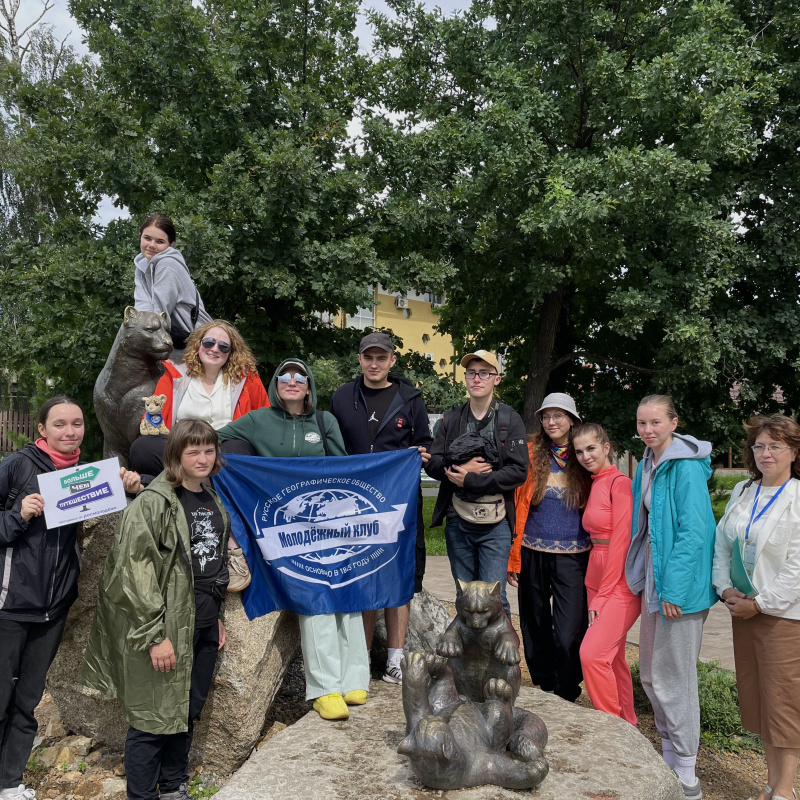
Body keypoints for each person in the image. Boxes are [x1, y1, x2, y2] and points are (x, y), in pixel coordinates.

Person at [0, 397, 140, 800]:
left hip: (53, 608)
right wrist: (16, 515)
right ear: (42, 429)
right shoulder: (17, 467)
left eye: (76, 423)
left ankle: (10, 783)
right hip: (9, 605)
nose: (70, 431)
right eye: (59, 424)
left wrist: (130, 491)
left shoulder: (86, 475)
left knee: (26, 701)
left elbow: (119, 517)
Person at [81, 420, 229, 800]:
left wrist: (217, 618)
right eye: (192, 451)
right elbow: (134, 573)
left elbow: (211, 562)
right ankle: (143, 795)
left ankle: (173, 786)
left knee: (185, 711)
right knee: (152, 719)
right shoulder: (154, 502)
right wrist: (155, 634)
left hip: (204, 624)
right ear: (175, 455)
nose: (202, 458)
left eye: (208, 450)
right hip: (167, 629)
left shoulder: (210, 496)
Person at [217, 358, 370, 721]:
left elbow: (344, 466)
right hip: (286, 528)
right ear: (275, 383)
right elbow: (215, 443)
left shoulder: (324, 421)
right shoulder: (257, 420)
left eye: (300, 376)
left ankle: (354, 678)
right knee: (314, 594)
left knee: (347, 589)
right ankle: (324, 689)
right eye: (284, 375)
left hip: (329, 520)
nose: (292, 380)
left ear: (309, 385)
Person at [129, 319, 269, 591]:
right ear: (198, 345)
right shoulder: (175, 376)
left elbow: (264, 419)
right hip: (183, 451)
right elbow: (153, 420)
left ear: (232, 352)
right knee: (142, 448)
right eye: (209, 342)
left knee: (236, 449)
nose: (215, 349)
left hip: (224, 454)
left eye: (224, 346)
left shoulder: (247, 379)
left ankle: (229, 543)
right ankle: (227, 540)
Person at [624, 394, 717, 800]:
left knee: (674, 678)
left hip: (678, 590)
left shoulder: (685, 467)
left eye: (655, 423)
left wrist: (674, 590)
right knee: (650, 674)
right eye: (642, 423)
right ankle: (668, 759)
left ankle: (687, 774)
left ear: (673, 423)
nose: (647, 430)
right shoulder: (648, 463)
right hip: (655, 584)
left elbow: (695, 533)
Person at [329, 331, 432, 685]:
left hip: (399, 502)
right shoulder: (342, 397)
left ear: (392, 361)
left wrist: (422, 456)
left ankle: (395, 660)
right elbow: (330, 447)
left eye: (381, 357)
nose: (374, 364)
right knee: (364, 573)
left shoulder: (410, 398)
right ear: (359, 359)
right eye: (368, 357)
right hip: (354, 504)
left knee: (399, 575)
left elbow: (424, 446)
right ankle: (360, 656)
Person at [712, 414, 800, 800]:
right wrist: (725, 589)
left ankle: (784, 790)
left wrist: (761, 604)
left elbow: (797, 567)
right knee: (760, 703)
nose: (766, 453)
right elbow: (722, 546)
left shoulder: (798, 497)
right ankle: (769, 783)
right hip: (742, 612)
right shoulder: (744, 492)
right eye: (760, 445)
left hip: (782, 618)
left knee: (784, 706)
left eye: (775, 446)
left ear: (794, 452)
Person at [425, 350, 528, 618]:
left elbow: (518, 472)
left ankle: (504, 659)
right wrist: (458, 470)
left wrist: (473, 479)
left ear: (497, 379)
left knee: (496, 600)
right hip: (458, 520)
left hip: (497, 523)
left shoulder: (509, 419)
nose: (477, 378)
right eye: (471, 373)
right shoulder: (451, 419)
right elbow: (433, 463)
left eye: (484, 373)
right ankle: (468, 659)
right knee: (465, 597)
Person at [506, 392, 591, 702]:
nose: (552, 421)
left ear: (572, 420)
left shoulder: (584, 455)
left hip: (574, 555)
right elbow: (513, 500)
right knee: (534, 621)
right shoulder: (530, 452)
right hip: (531, 551)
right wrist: (512, 558)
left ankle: (566, 686)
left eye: (559, 415)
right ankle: (543, 682)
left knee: (570, 627)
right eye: (546, 416)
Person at [573, 423, 639, 725]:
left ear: (606, 447)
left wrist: (603, 595)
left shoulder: (620, 483)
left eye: (591, 448)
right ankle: (628, 723)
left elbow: (622, 542)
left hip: (619, 581)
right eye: (579, 451)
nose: (586, 455)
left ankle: (611, 727)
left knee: (592, 654)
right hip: (595, 576)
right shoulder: (595, 482)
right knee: (613, 658)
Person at [134, 214, 211, 351]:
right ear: (140, 237)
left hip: (198, 343)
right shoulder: (142, 265)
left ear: (171, 245)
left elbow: (159, 316)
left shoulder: (167, 264)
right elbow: (142, 307)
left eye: (159, 241)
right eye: (147, 238)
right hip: (175, 338)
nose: (151, 245)